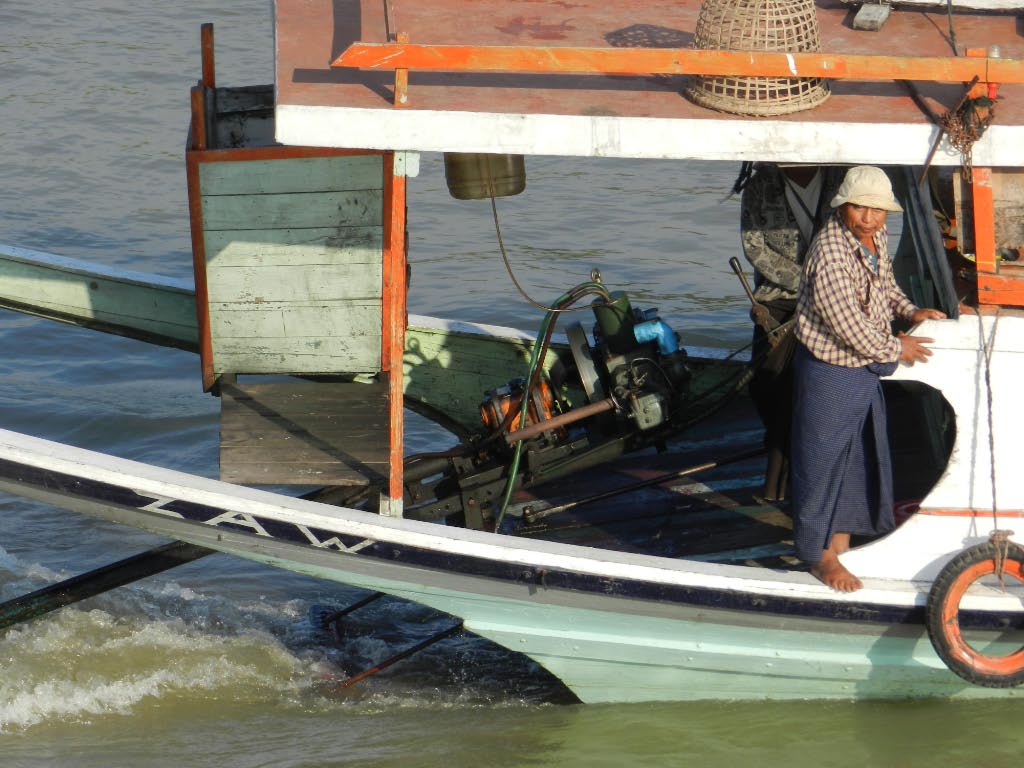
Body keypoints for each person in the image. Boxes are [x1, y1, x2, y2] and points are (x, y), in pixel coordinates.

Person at [790, 165, 947, 592]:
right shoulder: (830, 253)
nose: (869, 218)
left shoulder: (875, 237)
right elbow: (847, 325)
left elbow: (885, 286)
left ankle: (840, 545)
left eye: (877, 210)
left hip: (863, 368)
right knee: (821, 463)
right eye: (860, 208)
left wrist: (910, 311)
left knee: (855, 461)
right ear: (844, 206)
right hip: (830, 371)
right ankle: (818, 556)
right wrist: (898, 347)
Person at [739, 163, 845, 502]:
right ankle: (780, 449)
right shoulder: (760, 185)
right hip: (778, 297)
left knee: (807, 389)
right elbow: (754, 247)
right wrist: (806, 280)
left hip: (835, 295)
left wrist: (825, 283)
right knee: (765, 383)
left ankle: (792, 477)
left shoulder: (840, 178)